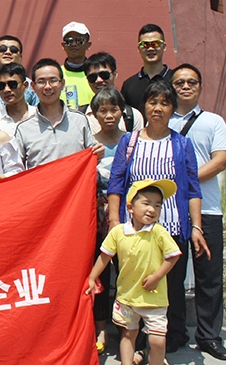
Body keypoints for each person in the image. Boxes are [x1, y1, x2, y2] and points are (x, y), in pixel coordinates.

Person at [107, 80, 210, 356]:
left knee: (171, 286)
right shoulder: (129, 142)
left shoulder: (181, 144)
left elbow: (193, 188)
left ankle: (168, 340)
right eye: (153, 102)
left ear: (172, 109)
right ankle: (135, 340)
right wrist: (115, 222)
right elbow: (116, 182)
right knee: (134, 284)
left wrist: (196, 226)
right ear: (145, 106)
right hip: (134, 231)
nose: (158, 108)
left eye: (165, 103)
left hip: (171, 228)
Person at [168, 64, 226, 361]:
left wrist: (183, 180)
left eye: (191, 82)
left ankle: (208, 336)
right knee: (173, 276)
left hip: (208, 209)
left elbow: (219, 161)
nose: (185, 86)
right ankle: (176, 332)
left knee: (209, 275)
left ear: (200, 86)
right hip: (171, 211)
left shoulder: (213, 121)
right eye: (179, 82)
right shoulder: (163, 119)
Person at [86, 179, 182, 365]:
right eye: (146, 203)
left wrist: (157, 277)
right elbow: (104, 256)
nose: (152, 209)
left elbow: (173, 256)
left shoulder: (158, 232)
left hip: (154, 298)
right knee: (128, 334)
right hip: (127, 297)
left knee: (157, 340)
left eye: (157, 205)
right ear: (130, 207)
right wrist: (92, 278)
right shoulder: (118, 232)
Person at [88, 86, 129, 354]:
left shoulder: (132, 141)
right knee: (101, 273)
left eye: (114, 109)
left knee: (127, 272)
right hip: (97, 219)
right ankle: (101, 326)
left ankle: (128, 328)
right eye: (103, 110)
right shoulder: (90, 144)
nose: (109, 115)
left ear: (122, 111)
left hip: (127, 218)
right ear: (95, 114)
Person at [14, 59, 101, 169]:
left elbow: (92, 157)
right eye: (41, 82)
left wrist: (98, 154)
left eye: (53, 80)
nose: (48, 87)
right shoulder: (24, 129)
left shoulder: (80, 120)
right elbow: (15, 167)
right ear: (33, 86)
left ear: (62, 84)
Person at [85, 52, 144, 134]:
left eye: (104, 75)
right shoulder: (82, 116)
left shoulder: (133, 116)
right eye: (92, 77)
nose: (98, 80)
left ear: (115, 74)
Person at [120, 24, 173, 117]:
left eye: (155, 44)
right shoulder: (129, 85)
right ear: (139, 49)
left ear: (164, 47)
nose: (150, 48)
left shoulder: (175, 80)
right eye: (145, 45)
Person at [0, 35, 38, 106]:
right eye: (3, 49)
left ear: (20, 57)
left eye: (14, 50)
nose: (8, 52)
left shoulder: (29, 85)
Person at [0, 63, 36, 136]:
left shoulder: (39, 117)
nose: (6, 90)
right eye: (1, 86)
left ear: (25, 86)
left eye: (12, 84)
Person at [60, 21, 94, 111]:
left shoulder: (98, 75)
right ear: (63, 45)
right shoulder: (56, 75)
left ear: (88, 45)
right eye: (69, 41)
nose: (74, 44)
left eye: (80, 40)